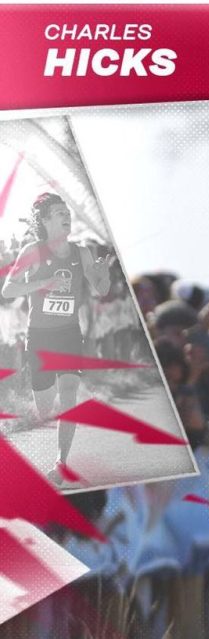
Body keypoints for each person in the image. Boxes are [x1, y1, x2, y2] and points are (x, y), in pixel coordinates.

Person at [1, 192, 110, 485]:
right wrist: (44, 283)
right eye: (60, 212)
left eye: (68, 212)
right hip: (39, 335)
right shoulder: (32, 252)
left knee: (69, 393)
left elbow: (101, 290)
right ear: (46, 221)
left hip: (69, 333)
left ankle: (61, 462)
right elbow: (7, 290)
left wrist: (103, 276)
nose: (67, 216)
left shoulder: (81, 253)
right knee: (45, 406)